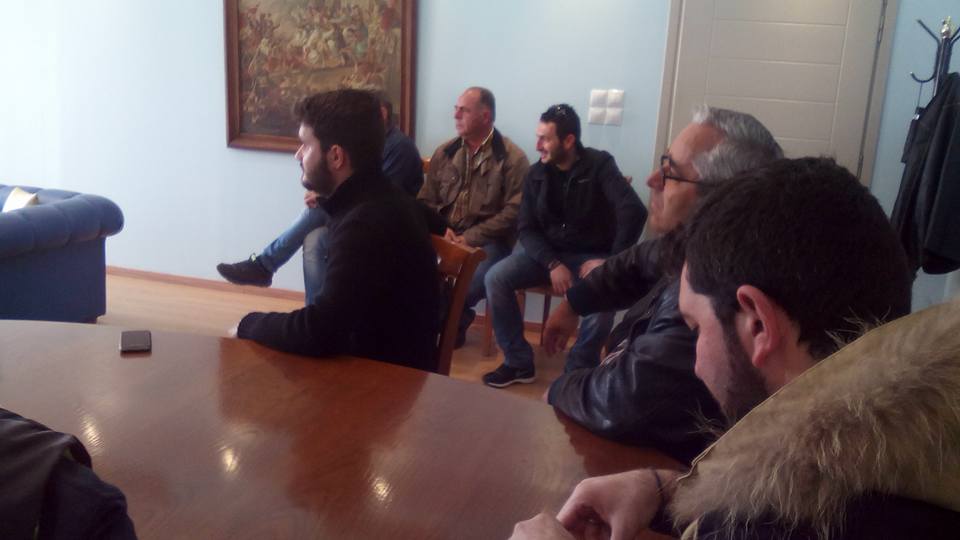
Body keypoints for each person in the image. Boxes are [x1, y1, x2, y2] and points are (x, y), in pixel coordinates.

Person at [509, 158, 960, 540]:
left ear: (758, 324)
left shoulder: (776, 528)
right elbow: (779, 490)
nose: (695, 362)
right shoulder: (910, 452)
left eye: (695, 327)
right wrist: (664, 490)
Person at [542, 107, 782, 463]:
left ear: (720, 198)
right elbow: (638, 261)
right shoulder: (695, 243)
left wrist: (559, 387)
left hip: (654, 465)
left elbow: (624, 399)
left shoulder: (715, 291)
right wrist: (574, 302)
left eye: (670, 172)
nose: (652, 179)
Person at [235, 89, 440, 373]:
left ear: (336, 156)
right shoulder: (385, 198)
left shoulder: (364, 224)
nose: (298, 155)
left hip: (381, 383)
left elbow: (321, 332)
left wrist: (247, 323)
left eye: (305, 145)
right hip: (390, 372)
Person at [482, 104, 646, 388]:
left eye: (545, 139)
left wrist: (611, 262)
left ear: (568, 140)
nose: (537, 145)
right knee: (495, 277)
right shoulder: (536, 174)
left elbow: (634, 210)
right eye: (538, 137)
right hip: (547, 255)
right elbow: (526, 228)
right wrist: (552, 263)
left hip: (592, 256)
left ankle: (577, 373)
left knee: (604, 295)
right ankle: (518, 362)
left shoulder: (600, 165)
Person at [216, 95, 423, 303]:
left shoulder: (399, 149)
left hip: (386, 227)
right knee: (314, 238)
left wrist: (326, 197)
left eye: (306, 146)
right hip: (369, 223)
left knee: (318, 209)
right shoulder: (375, 156)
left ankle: (265, 265)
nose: (298, 155)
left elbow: (379, 194)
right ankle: (295, 289)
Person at [418, 86, 530, 347]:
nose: (455, 115)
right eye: (456, 109)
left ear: (485, 116)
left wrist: (469, 237)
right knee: (408, 263)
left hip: (489, 241)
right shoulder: (445, 152)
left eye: (464, 110)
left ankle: (446, 321)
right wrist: (441, 228)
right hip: (445, 233)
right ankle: (450, 322)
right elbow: (425, 201)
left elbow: (514, 213)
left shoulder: (512, 158)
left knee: (473, 279)